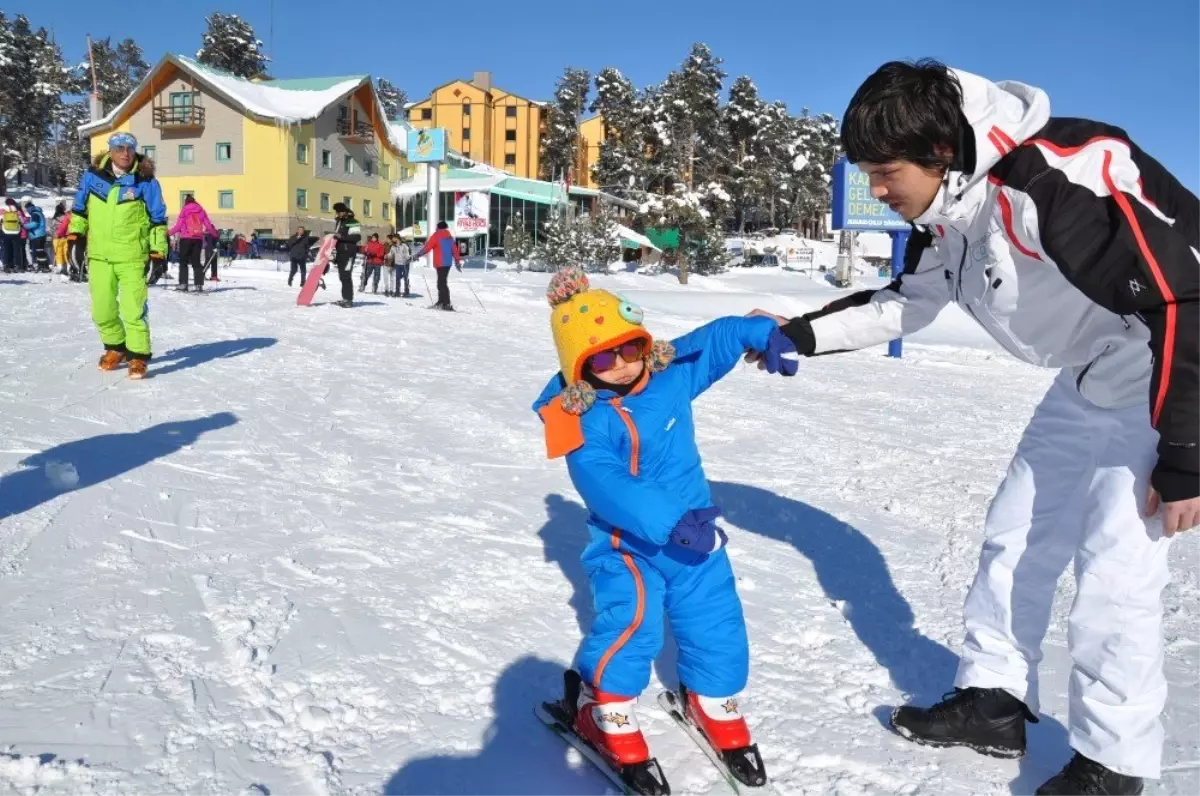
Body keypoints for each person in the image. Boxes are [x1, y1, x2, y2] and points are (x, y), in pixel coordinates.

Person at [750, 60, 1200, 796]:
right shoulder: (950, 214)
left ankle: (1116, 763)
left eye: (886, 171)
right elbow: (907, 302)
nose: (878, 189)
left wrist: (1186, 453)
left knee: (1116, 574)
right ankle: (993, 701)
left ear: (941, 153)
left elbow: (1185, 296)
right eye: (866, 172)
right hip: (1090, 372)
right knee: (1015, 531)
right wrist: (800, 334)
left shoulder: (1067, 174)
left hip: (1166, 374)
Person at [531, 267, 798, 792]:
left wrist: (761, 334)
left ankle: (710, 698)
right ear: (579, 367)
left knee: (716, 619)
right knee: (634, 622)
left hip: (697, 533)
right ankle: (599, 707)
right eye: (603, 359)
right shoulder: (579, 418)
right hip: (628, 545)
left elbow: (712, 342)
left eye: (630, 348)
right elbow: (602, 482)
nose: (622, 364)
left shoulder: (667, 375)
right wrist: (670, 522)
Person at [68, 131, 167, 380]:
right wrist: (75, 238)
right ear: (110, 150)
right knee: (102, 310)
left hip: (132, 256)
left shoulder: (145, 181)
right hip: (100, 256)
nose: (125, 153)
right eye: (120, 148)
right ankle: (116, 347)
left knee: (133, 310)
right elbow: (79, 210)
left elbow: (157, 220)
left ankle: (137, 356)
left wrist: (158, 253)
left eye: (130, 149)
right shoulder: (93, 176)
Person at [167, 195, 218, 292]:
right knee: (196, 262)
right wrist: (215, 234)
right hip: (198, 239)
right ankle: (198, 285)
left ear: (186, 202)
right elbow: (208, 225)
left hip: (185, 239)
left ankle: (183, 284)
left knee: (183, 261)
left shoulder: (184, 210)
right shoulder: (201, 210)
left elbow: (178, 226)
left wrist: (168, 233)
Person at [417, 220, 462, 309]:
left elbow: (427, 247)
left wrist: (418, 254)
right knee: (441, 282)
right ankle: (441, 301)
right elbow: (455, 250)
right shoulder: (450, 237)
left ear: (438, 227)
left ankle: (446, 303)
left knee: (442, 283)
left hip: (440, 262)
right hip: (447, 263)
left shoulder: (436, 236)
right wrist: (457, 261)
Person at [330, 202, 362, 307]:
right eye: (337, 212)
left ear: (345, 211)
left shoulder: (353, 222)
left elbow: (356, 237)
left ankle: (348, 300)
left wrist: (341, 237)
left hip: (349, 253)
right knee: (342, 277)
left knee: (346, 276)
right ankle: (345, 298)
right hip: (340, 252)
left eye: (339, 212)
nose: (338, 214)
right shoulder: (339, 222)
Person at [22, 201, 49, 272]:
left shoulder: (35, 214)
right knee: (40, 251)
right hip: (40, 234)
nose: (27, 211)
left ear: (29, 208)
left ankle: (44, 266)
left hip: (37, 235)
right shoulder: (38, 213)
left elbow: (34, 224)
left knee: (39, 251)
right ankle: (42, 265)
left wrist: (25, 226)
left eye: (27, 209)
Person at [1, 198, 22, 273]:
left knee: (6, 249)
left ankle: (7, 265)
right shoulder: (17, 211)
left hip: (6, 231)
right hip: (16, 231)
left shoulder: (3, 210)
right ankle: (17, 265)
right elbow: (21, 221)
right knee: (16, 249)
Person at [51, 202, 69, 272]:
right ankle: (68, 266)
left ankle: (60, 267)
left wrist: (53, 234)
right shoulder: (66, 217)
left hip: (57, 238)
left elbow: (50, 228)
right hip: (66, 237)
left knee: (58, 253)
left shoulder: (54, 218)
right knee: (66, 252)